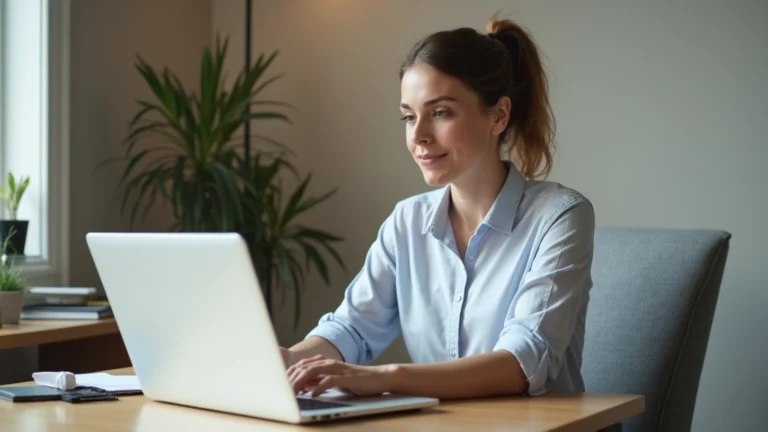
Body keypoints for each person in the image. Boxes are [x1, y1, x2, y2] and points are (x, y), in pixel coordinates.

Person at [281, 12, 595, 400]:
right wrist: (287, 361)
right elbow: (351, 330)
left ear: (498, 115)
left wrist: (385, 376)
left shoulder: (560, 216)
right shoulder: (406, 221)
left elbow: (523, 361)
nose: (419, 136)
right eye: (409, 117)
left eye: (440, 113)